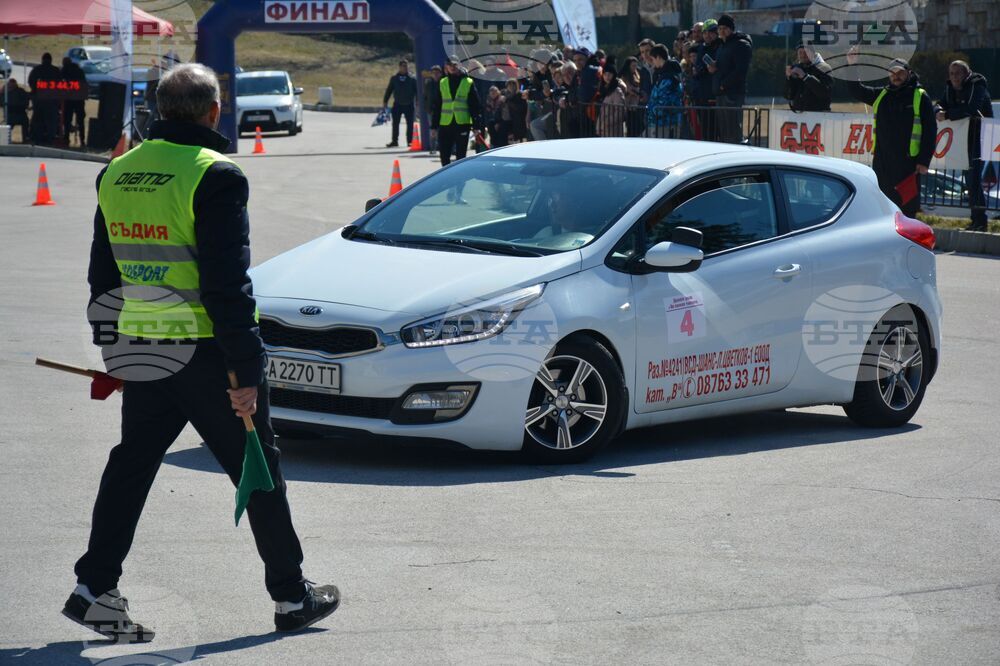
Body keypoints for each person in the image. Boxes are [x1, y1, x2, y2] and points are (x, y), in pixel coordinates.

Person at [67, 63, 339, 642]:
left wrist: (113, 348)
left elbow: (102, 273)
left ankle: (94, 586)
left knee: (132, 465)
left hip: (143, 349)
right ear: (215, 112)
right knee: (258, 467)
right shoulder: (215, 174)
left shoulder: (116, 170)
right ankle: (292, 597)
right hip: (206, 353)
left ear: (159, 111)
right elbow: (225, 285)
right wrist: (246, 369)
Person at [848, 55, 936, 218]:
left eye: (900, 72)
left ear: (908, 73)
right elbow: (856, 91)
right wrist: (853, 66)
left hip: (908, 165)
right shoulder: (882, 94)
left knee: (907, 212)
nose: (896, 76)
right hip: (883, 164)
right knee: (882, 208)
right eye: (892, 72)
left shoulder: (919, 96)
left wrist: (923, 161)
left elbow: (930, 131)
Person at [935, 60, 993, 231]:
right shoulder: (949, 87)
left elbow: (971, 108)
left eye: (958, 73)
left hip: (980, 138)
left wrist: (947, 115)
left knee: (974, 180)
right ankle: (975, 219)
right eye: (951, 74)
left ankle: (981, 221)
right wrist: (937, 111)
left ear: (966, 73)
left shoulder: (977, 84)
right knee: (969, 181)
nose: (954, 77)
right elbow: (940, 103)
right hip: (962, 140)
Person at [709, 14, 752, 143]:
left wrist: (724, 84)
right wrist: (714, 68)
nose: (721, 31)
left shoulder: (741, 44)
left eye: (725, 28)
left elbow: (740, 70)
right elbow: (725, 67)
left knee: (733, 131)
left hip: (732, 93)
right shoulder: (722, 45)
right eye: (720, 28)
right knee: (725, 132)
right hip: (721, 93)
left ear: (731, 29)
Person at [431, 56, 482, 167]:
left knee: (461, 157)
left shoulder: (468, 82)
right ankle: (446, 181)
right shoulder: (442, 82)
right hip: (445, 124)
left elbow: (475, 105)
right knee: (444, 156)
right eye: (450, 65)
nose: (452, 67)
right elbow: (437, 105)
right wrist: (434, 126)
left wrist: (477, 126)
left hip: (462, 124)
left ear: (459, 65)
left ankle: (459, 182)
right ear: (446, 67)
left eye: (455, 65)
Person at [646, 43, 683, 138]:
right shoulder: (664, 74)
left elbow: (663, 102)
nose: (653, 62)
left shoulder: (668, 77)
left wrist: (651, 112)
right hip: (663, 122)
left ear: (658, 57)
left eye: (653, 59)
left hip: (665, 123)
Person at [784, 44, 832, 112]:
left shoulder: (824, 68)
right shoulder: (797, 68)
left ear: (813, 53)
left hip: (819, 115)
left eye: (806, 52)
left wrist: (805, 77)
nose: (803, 55)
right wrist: (789, 78)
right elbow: (788, 96)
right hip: (798, 115)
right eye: (800, 52)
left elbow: (825, 93)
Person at [694, 19, 721, 141]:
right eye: (704, 32)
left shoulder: (722, 46)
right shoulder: (701, 48)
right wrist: (705, 69)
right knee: (706, 133)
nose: (707, 35)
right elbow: (697, 69)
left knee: (720, 132)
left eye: (711, 32)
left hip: (718, 95)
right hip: (703, 97)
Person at [28, 52, 61, 145]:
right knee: (51, 120)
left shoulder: (37, 69)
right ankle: (51, 138)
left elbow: (31, 81)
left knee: (38, 119)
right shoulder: (55, 70)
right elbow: (60, 84)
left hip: (38, 99)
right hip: (52, 99)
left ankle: (37, 138)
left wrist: (35, 90)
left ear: (42, 59)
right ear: (51, 60)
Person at [383, 59, 417, 148]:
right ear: (399, 67)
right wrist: (385, 101)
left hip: (409, 104)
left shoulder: (412, 79)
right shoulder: (394, 78)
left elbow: (417, 91)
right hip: (397, 104)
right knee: (395, 123)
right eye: (402, 66)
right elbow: (389, 90)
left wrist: (417, 101)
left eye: (406, 66)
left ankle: (410, 141)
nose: (404, 68)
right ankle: (394, 141)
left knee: (410, 124)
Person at [61, 56, 88, 146]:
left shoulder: (64, 70)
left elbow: (60, 82)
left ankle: (66, 138)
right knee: (80, 121)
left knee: (67, 120)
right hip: (79, 99)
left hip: (69, 99)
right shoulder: (79, 70)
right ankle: (82, 140)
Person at [596, 65, 626, 137]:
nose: (607, 77)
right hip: (604, 129)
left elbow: (619, 112)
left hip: (613, 130)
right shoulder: (604, 90)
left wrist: (606, 123)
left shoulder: (617, 91)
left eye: (610, 74)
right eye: (605, 74)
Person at [423, 64, 443, 154]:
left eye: (437, 72)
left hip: (442, 109)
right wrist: (426, 107)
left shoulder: (443, 82)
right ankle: (433, 148)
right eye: (433, 73)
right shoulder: (428, 83)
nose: (435, 74)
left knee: (442, 129)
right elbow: (425, 96)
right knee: (432, 129)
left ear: (440, 73)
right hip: (431, 110)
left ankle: (441, 146)